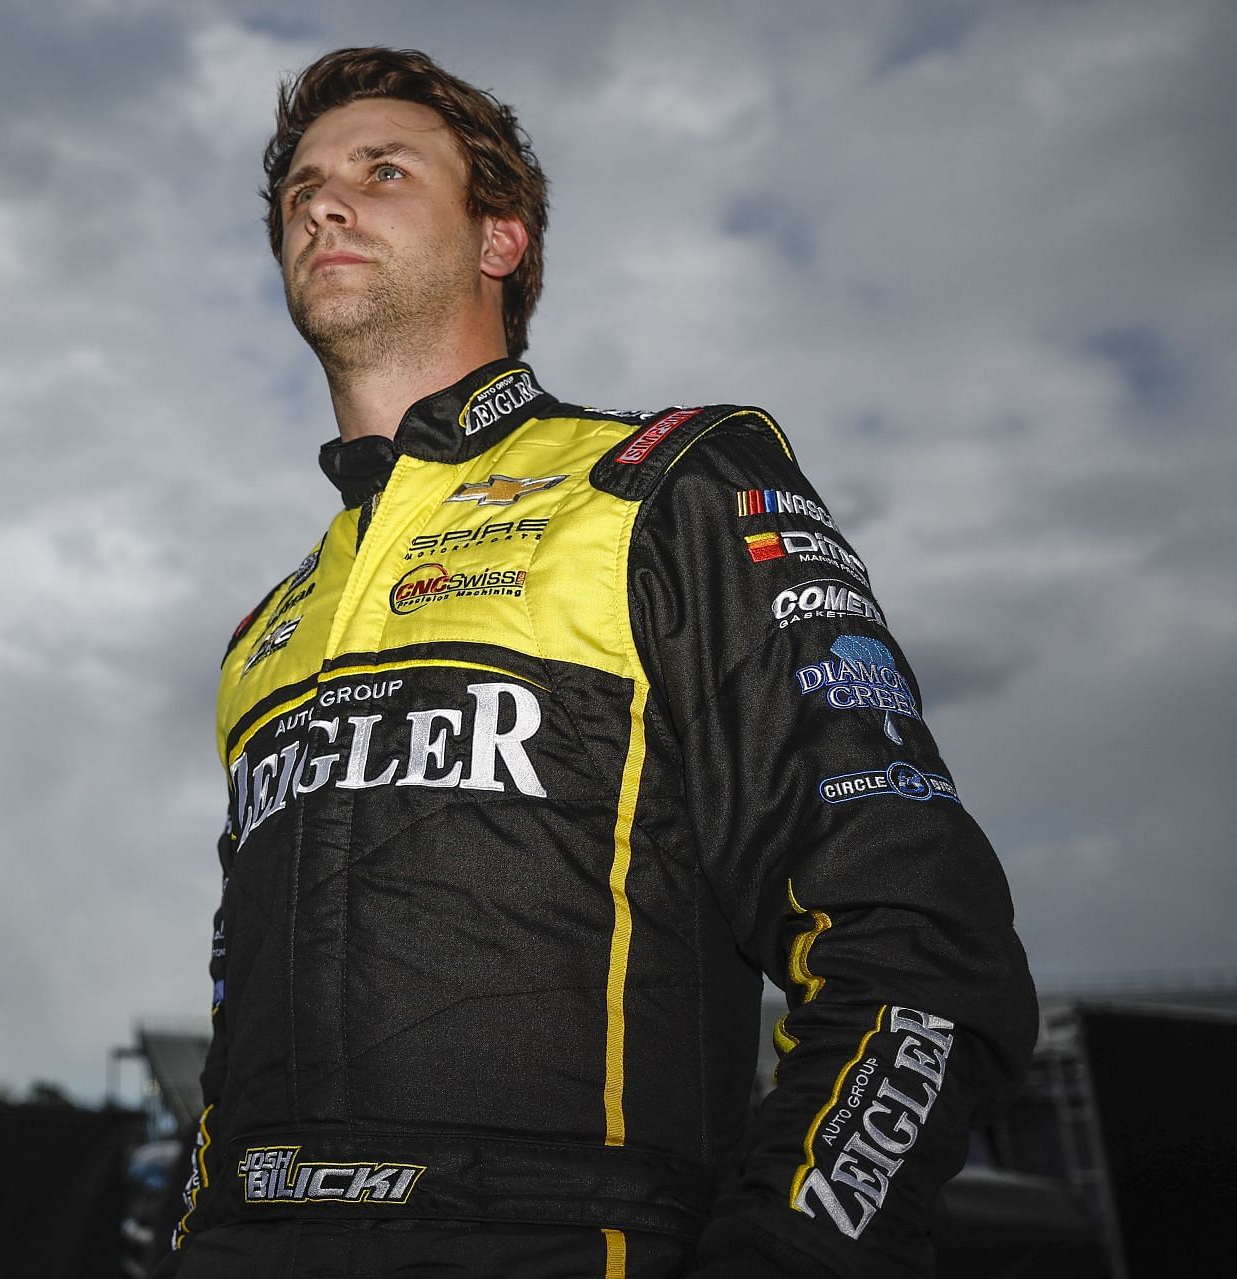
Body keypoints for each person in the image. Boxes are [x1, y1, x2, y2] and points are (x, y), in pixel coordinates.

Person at [159, 47, 1035, 1279]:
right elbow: (227, 1033)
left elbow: (923, 949)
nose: (321, 203)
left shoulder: (668, 484)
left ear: (499, 240)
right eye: (300, 188)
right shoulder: (269, 629)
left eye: (382, 169)